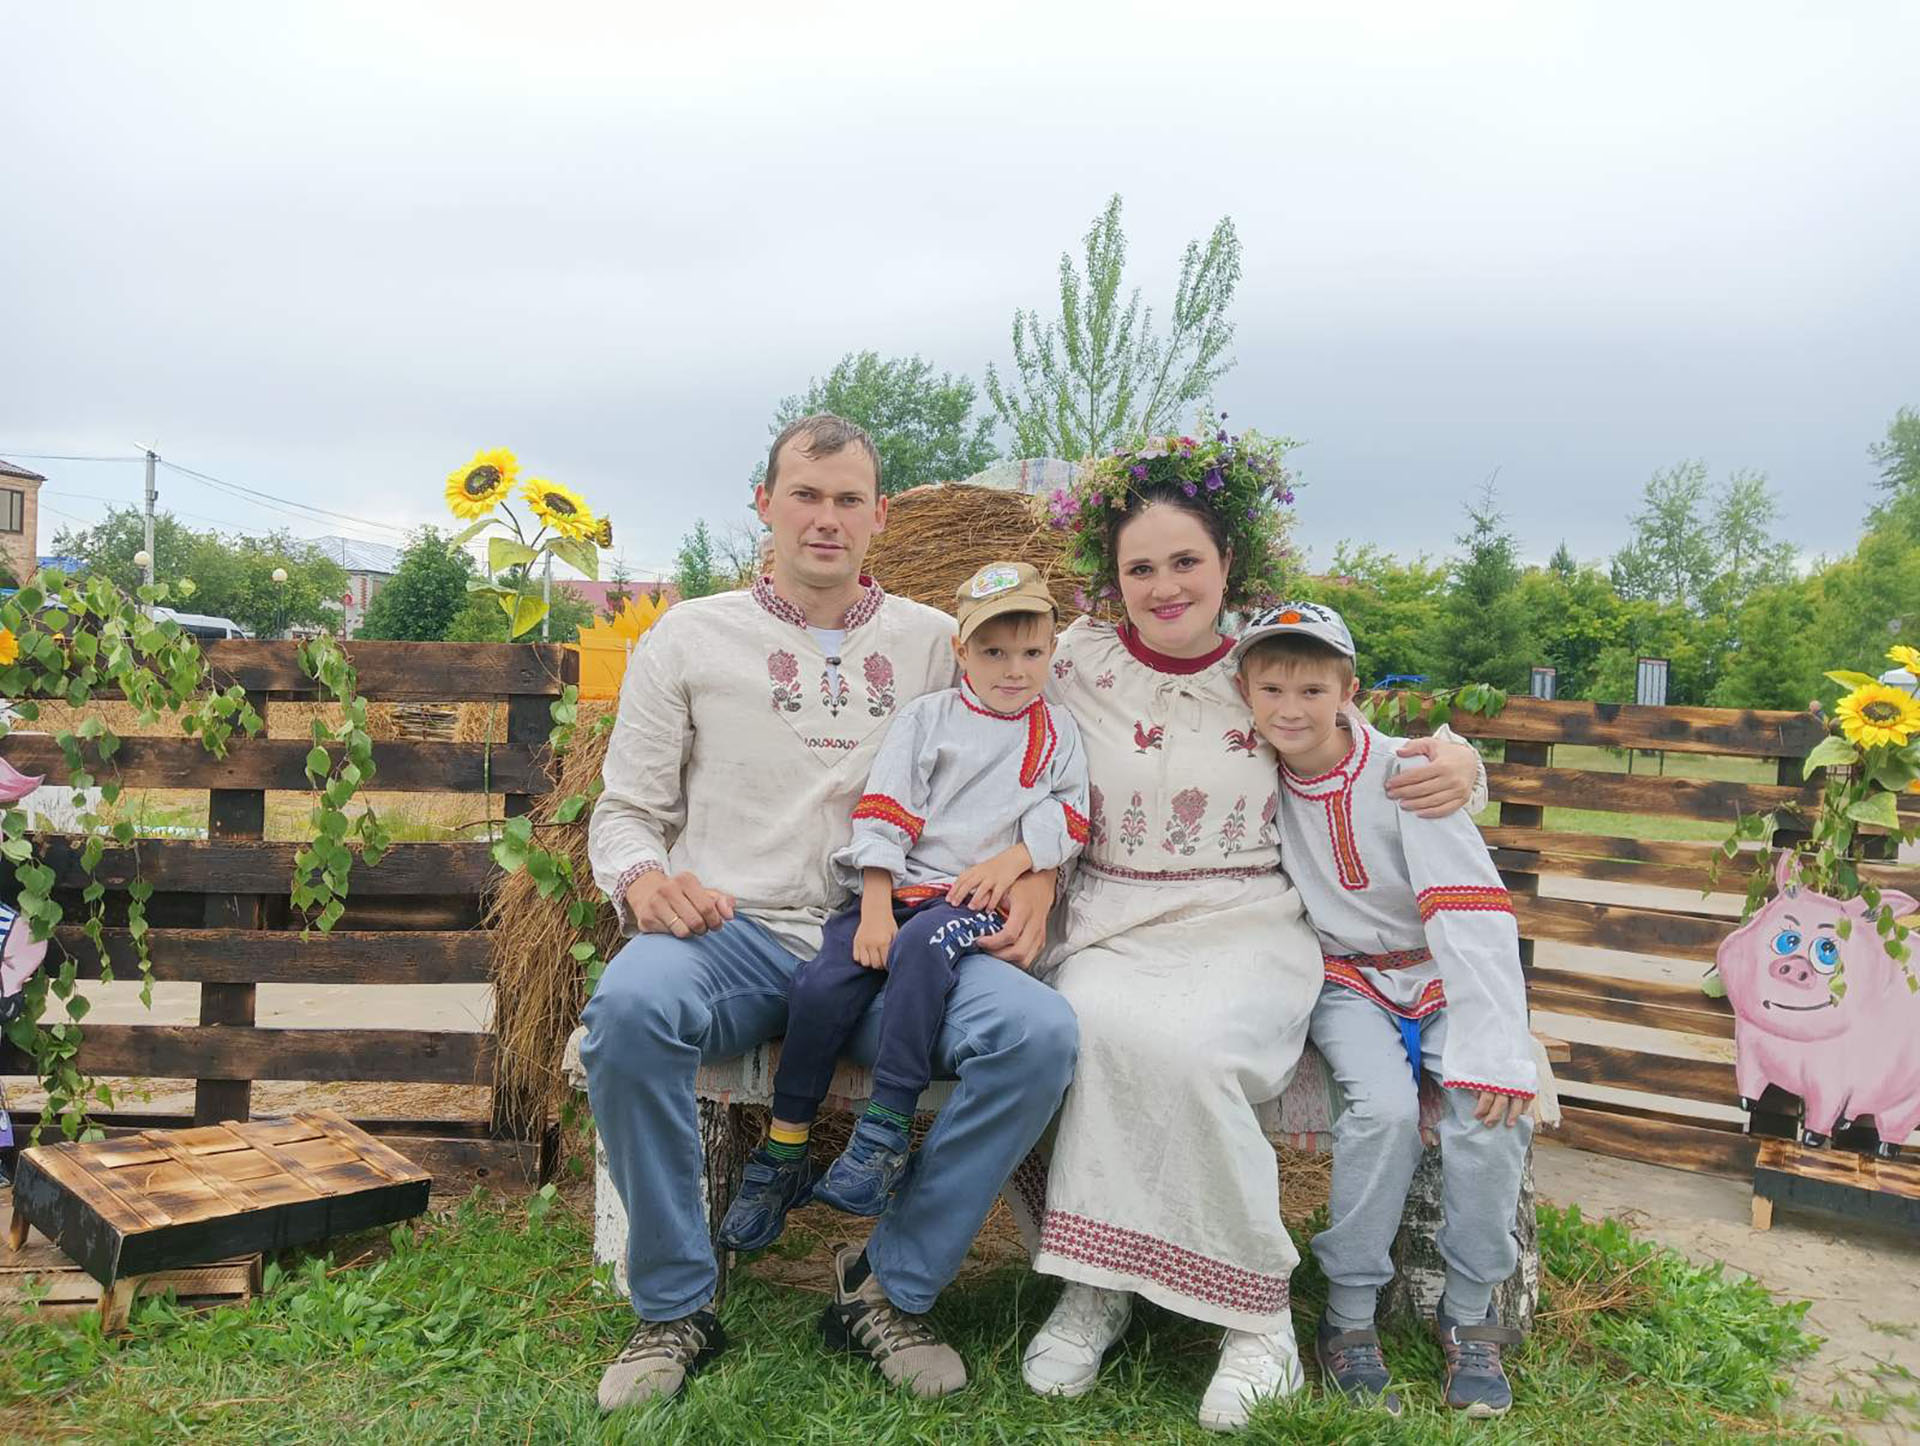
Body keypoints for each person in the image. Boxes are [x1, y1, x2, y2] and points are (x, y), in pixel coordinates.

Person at [582, 415, 1077, 1410]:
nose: (826, 517)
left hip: (893, 940)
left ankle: (887, 1285)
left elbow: (1063, 742)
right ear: (763, 504)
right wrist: (641, 878)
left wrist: (1038, 877)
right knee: (629, 1013)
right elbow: (628, 808)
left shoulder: (943, 645)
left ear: (880, 516)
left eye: (850, 498)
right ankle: (675, 1302)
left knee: (1034, 1034)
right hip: (733, 933)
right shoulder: (689, 636)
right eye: (805, 494)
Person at [1013, 430, 1486, 1432]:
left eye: (1186, 560)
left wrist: (1465, 763)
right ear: (1113, 580)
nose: (1165, 584)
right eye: (1140, 567)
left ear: (1230, 562)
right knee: (1098, 1031)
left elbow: (1372, 744)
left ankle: (1255, 1320)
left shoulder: (1266, 669)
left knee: (1199, 1052)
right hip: (1110, 921)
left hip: (1248, 923)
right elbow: (973, 686)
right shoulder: (1075, 662)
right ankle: (1097, 1283)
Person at [717, 560, 1088, 1248]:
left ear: (1052, 651)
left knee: (924, 949)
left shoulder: (1056, 734)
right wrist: (878, 904)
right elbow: (884, 813)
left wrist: (1012, 862)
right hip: (902, 889)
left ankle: (883, 1132)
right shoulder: (929, 720)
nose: (1015, 670)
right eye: (994, 652)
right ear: (961, 651)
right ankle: (784, 1149)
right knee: (821, 984)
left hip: (978, 898)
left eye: (1032, 653)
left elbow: (1069, 818)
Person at [1231, 600, 1535, 1419]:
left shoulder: (1408, 772)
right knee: (1383, 1111)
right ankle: (1350, 1310)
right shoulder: (1250, 768)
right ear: (1246, 692)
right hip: (1345, 979)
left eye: (1312, 689)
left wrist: (1498, 1043)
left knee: (1493, 1108)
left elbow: (1470, 905)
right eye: (1272, 689)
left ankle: (1472, 1309)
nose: (1291, 710)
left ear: (1349, 689)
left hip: (1438, 969)